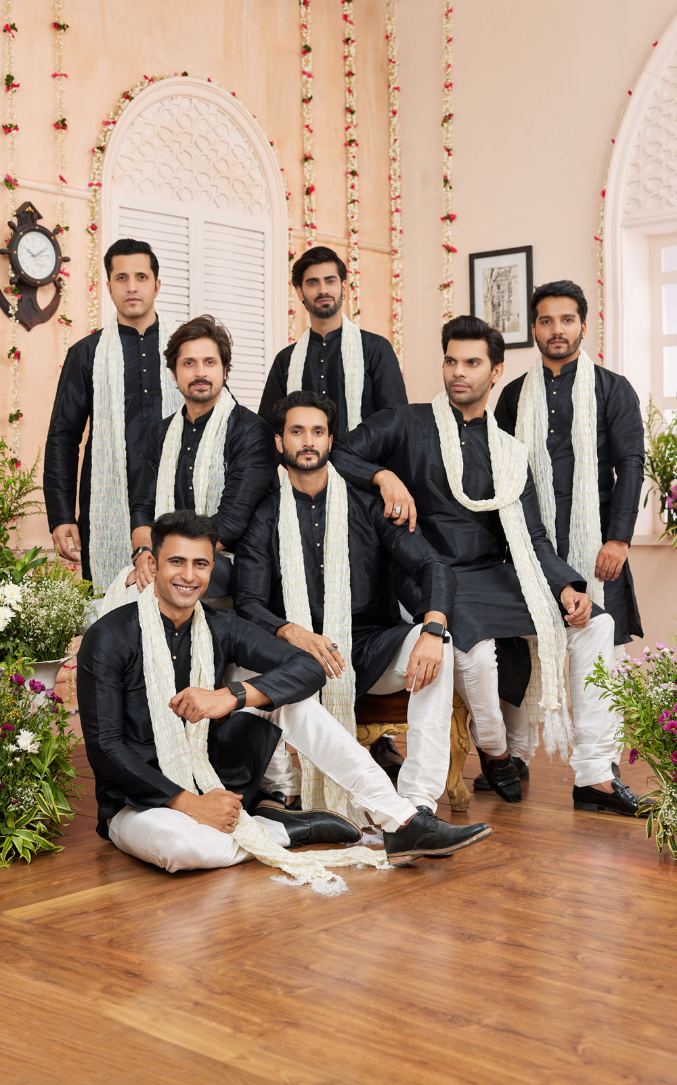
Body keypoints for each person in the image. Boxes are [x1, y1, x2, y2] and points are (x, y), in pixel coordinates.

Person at [332, 315, 643, 816]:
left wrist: (565, 586)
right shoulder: (405, 421)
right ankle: (495, 751)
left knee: (596, 623)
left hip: (497, 574)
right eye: (451, 360)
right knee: (472, 652)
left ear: (495, 371)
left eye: (472, 362)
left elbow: (533, 535)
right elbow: (338, 451)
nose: (459, 372)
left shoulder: (509, 449)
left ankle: (594, 774)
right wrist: (382, 475)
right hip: (428, 575)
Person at [78, 510, 492, 876]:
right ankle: (287, 829)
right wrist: (188, 803)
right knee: (184, 849)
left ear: (212, 569)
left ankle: (401, 821)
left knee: (289, 699)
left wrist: (232, 696)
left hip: (215, 784)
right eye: (176, 562)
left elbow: (309, 667)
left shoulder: (220, 627)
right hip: (139, 802)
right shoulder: (110, 637)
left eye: (200, 564)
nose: (189, 576)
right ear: (152, 562)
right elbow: (106, 749)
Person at [235, 390, 458, 825]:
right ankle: (288, 789)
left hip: (368, 646)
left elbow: (434, 565)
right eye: (296, 431)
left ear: (331, 441)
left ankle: (417, 803)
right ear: (280, 442)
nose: (307, 441)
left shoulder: (368, 505)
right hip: (300, 656)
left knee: (440, 645)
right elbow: (248, 602)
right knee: (255, 666)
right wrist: (291, 631)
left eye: (317, 431)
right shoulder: (263, 517)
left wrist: (432, 628)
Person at [494, 279, 644, 652]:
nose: (556, 330)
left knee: (603, 659)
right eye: (546, 321)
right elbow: (500, 472)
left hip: (598, 547)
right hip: (533, 550)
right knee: (532, 657)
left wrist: (619, 539)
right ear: (533, 329)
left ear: (583, 327)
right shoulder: (513, 396)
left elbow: (630, 464)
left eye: (567, 320)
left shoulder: (613, 389)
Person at [44, 238, 180, 588]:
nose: (131, 287)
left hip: (180, 501)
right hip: (106, 507)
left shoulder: (186, 350)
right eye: (121, 278)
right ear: (108, 286)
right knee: (111, 614)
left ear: (157, 284)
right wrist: (61, 516)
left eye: (141, 277)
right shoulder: (87, 354)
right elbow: (63, 437)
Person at [129, 314, 277, 599]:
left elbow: (231, 522)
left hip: (234, 564)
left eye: (210, 362)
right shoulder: (159, 433)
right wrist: (145, 552)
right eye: (189, 363)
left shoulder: (250, 431)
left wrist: (170, 562)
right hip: (169, 562)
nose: (200, 373)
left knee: (142, 595)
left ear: (224, 370)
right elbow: (142, 508)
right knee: (128, 591)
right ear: (174, 373)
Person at [259, 246, 407, 436]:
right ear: (299, 292)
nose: (323, 290)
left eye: (330, 281)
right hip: (301, 465)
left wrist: (351, 454)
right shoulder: (285, 360)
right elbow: (267, 427)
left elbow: (396, 418)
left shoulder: (375, 349)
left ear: (343, 287)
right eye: (312, 283)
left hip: (365, 464)